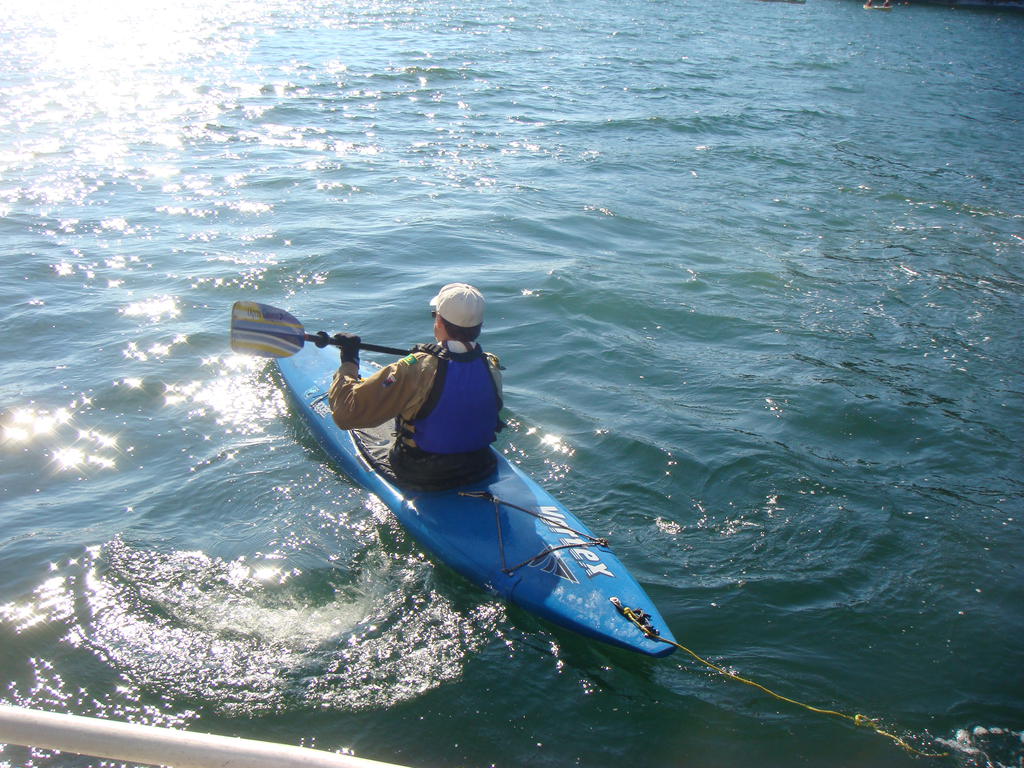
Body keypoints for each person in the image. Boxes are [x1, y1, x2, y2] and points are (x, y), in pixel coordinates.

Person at [328, 283, 503, 491]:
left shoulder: (415, 366)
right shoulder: (491, 365)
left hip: (422, 473)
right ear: (479, 326)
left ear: (439, 321)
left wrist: (349, 361)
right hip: (479, 464)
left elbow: (346, 415)